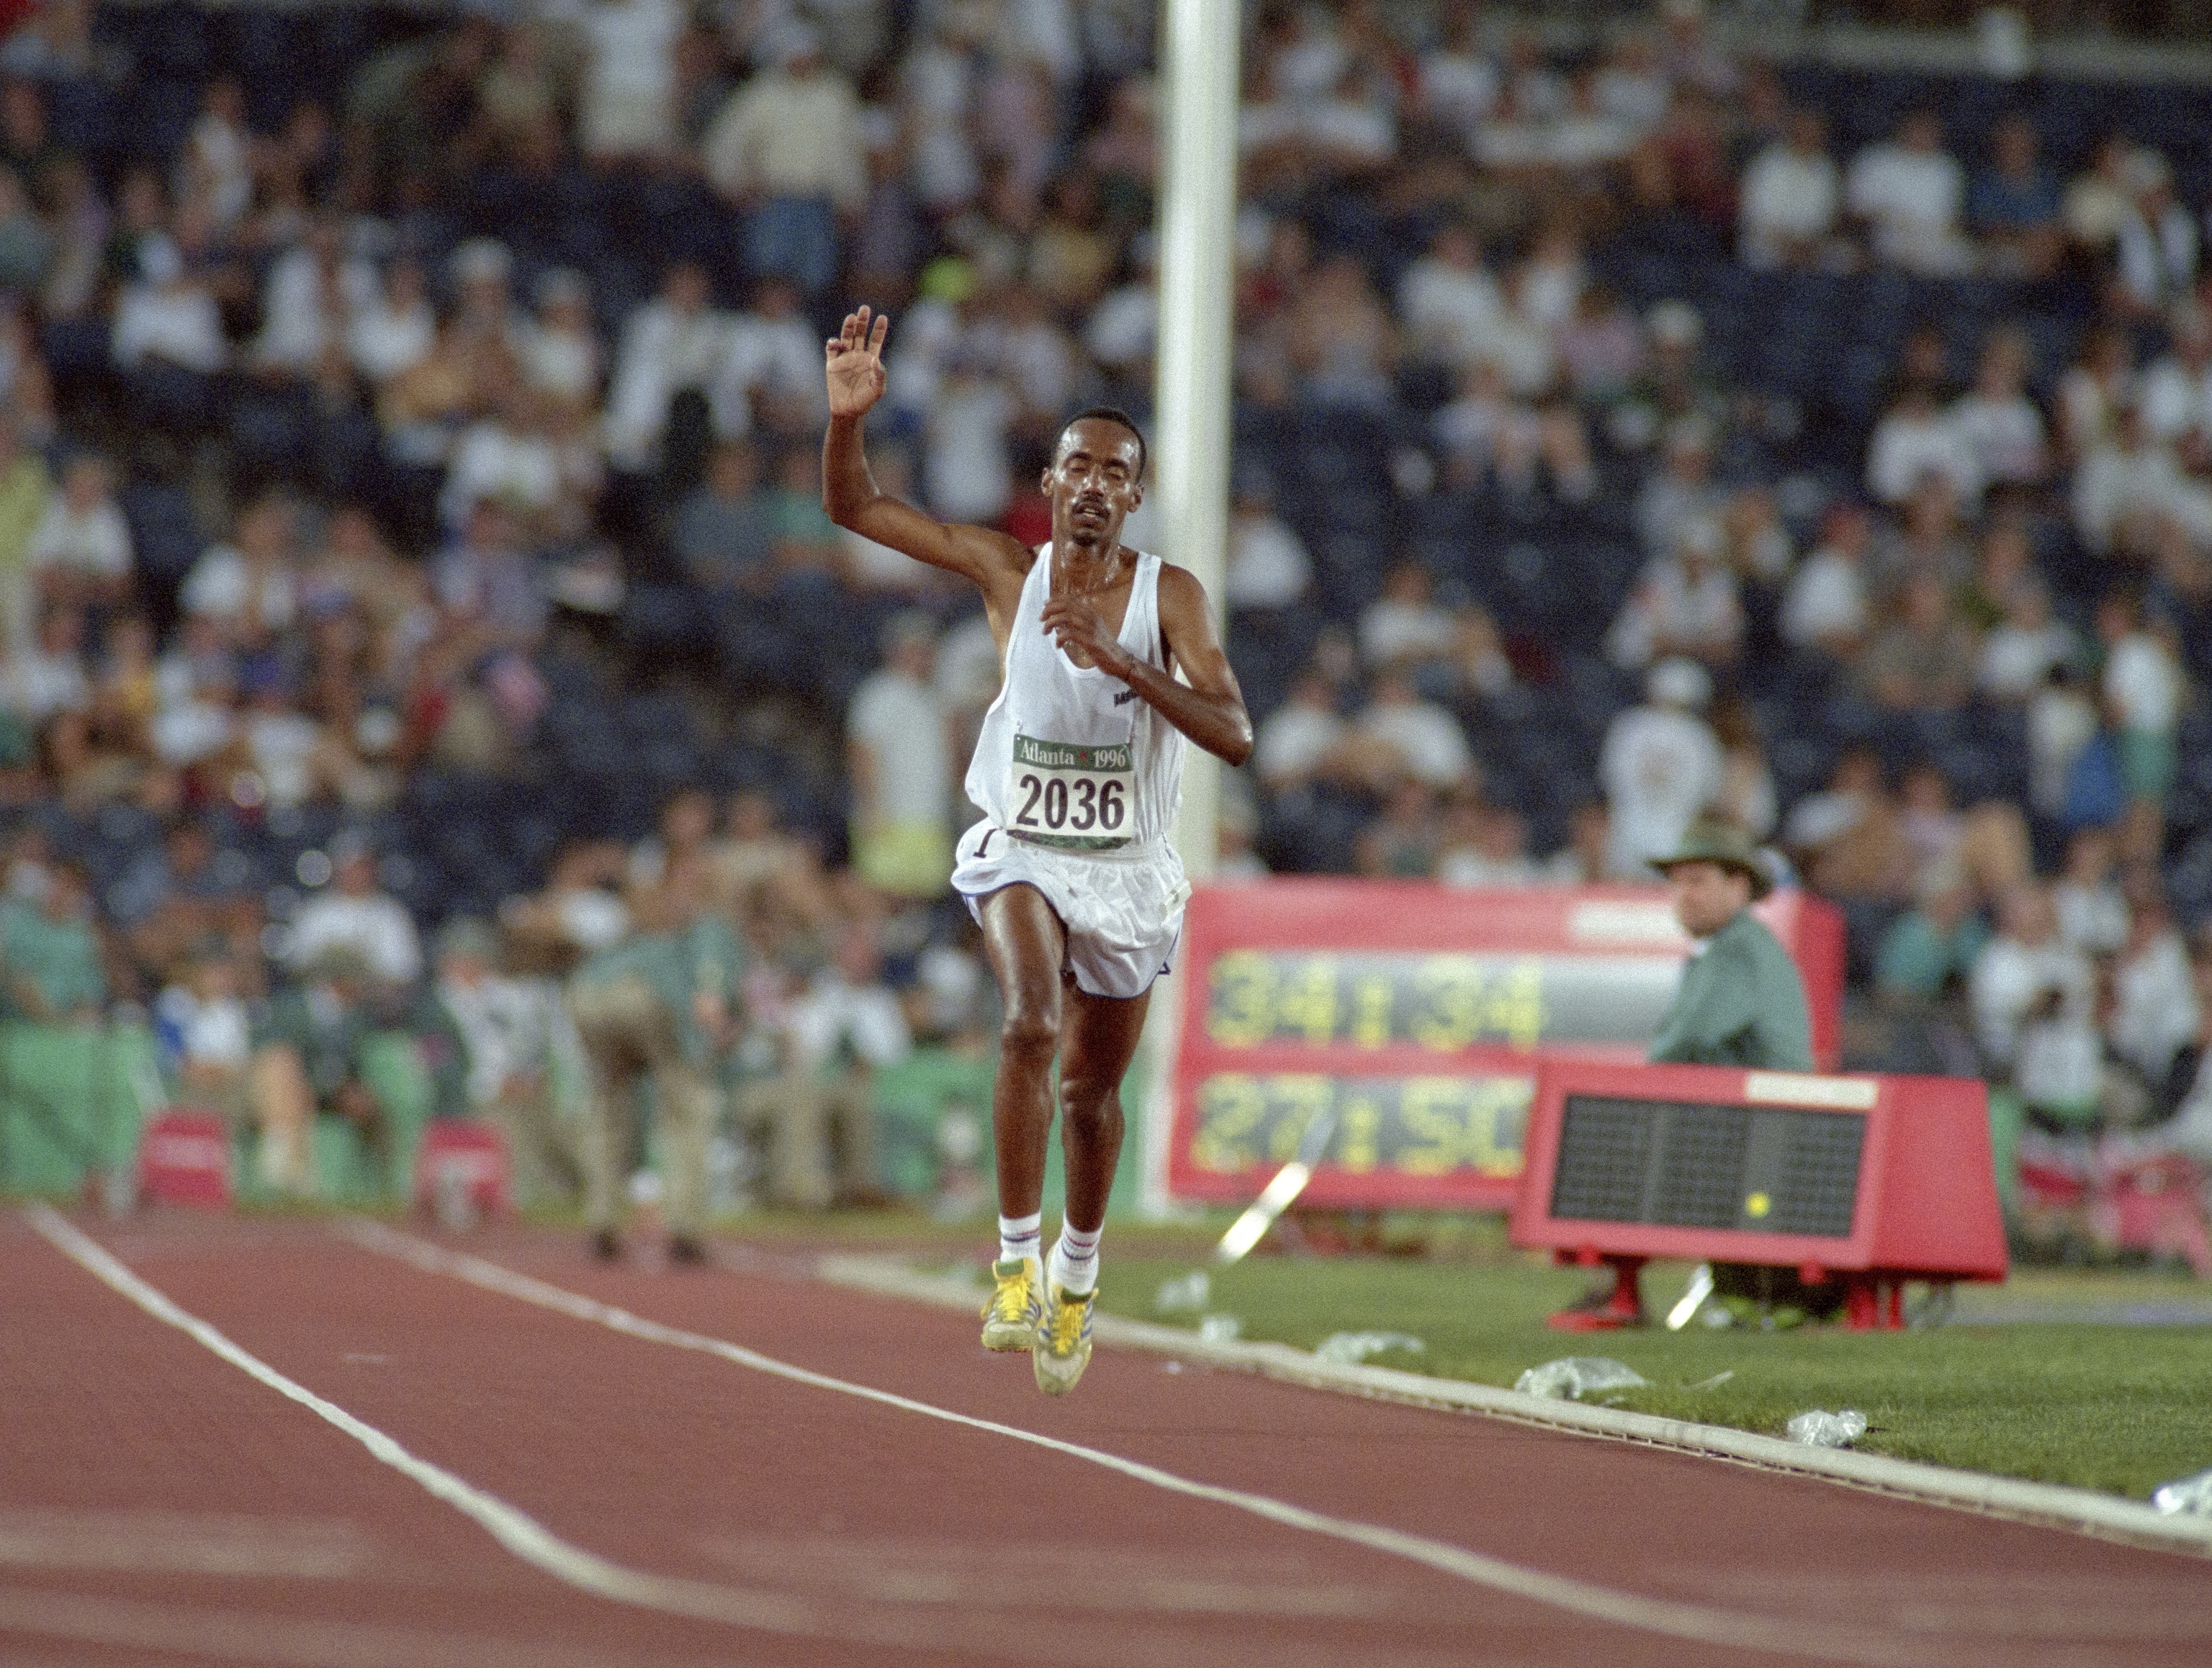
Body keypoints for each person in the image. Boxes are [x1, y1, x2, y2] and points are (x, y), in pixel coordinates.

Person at [823, 305, 1251, 1395]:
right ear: (1051, 486)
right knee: (1025, 1020)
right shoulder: (1005, 572)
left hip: (1130, 865)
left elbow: (1234, 734)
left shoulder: (1171, 598)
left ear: (1136, 494)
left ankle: (1077, 1272)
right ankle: (1012, 1263)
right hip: (1023, 843)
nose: (1096, 485)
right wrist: (846, 422)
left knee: (1088, 1094)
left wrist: (1125, 663)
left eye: (1117, 471)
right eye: (1078, 467)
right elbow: (856, 504)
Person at [1646, 819, 1822, 1327]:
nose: (1684, 894)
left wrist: (1637, 1082)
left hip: (1764, 1130)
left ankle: (1614, 1283)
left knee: (1614, 1131)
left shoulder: (1738, 947)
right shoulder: (1733, 946)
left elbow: (1690, 1036)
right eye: (1677, 881)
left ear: (1739, 886)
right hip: (1757, 1126)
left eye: (1698, 880)